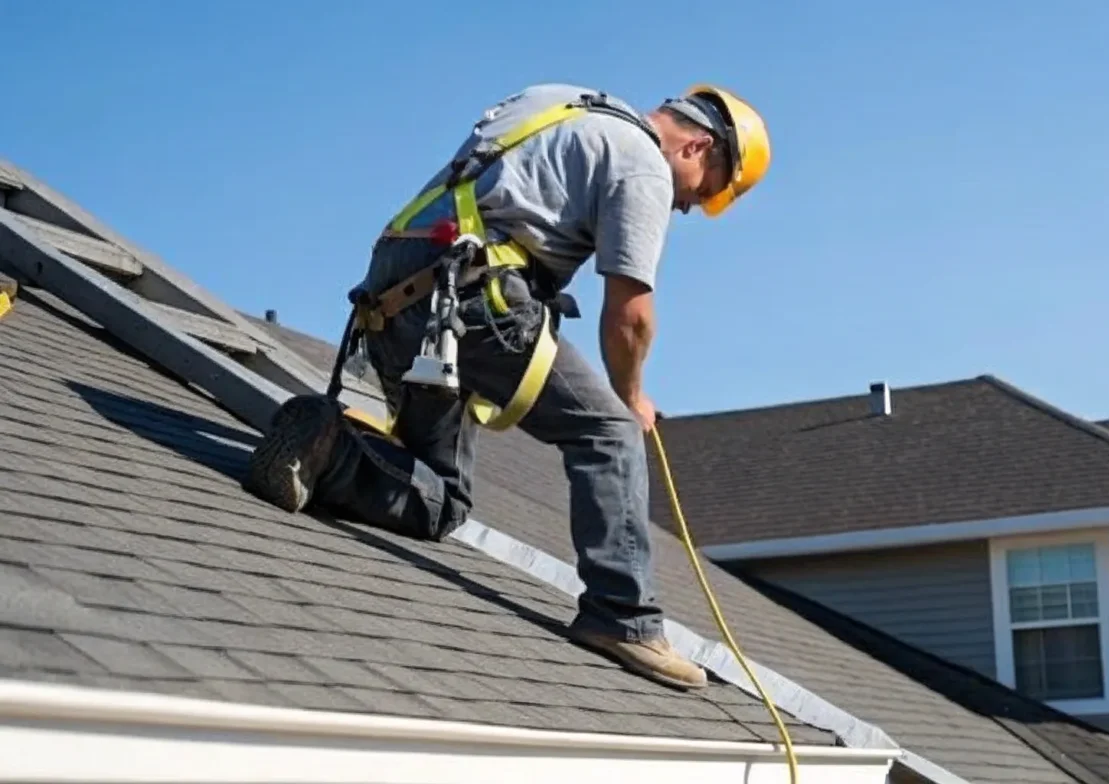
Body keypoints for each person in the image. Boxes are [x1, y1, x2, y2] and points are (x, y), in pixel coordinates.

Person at [241, 83, 771, 691]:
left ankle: (327, 450)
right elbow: (630, 315)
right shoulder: (643, 161)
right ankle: (623, 619)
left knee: (439, 500)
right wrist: (633, 396)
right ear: (698, 146)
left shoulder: (564, 102)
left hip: (397, 290)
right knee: (609, 433)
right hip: (475, 292)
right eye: (702, 192)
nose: (687, 208)